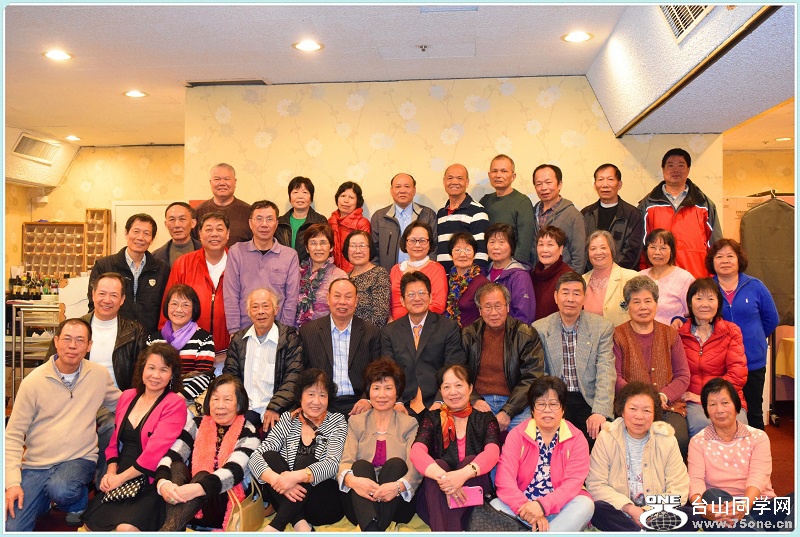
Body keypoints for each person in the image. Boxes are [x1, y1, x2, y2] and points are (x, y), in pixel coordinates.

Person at [5, 319, 120, 531]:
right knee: (11, 527)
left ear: (89, 346)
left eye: (80, 340)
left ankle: (77, 501)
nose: (72, 346)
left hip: (79, 459)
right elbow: (12, 435)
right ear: (56, 341)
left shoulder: (98, 375)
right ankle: (43, 502)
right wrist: (12, 483)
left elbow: (123, 404)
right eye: (67, 339)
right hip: (37, 465)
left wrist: (161, 403)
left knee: (61, 488)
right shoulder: (33, 382)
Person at [82, 343, 187, 532]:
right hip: (122, 472)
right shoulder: (127, 396)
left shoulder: (174, 403)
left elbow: (154, 453)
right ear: (142, 369)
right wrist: (111, 473)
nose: (156, 375)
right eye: (151, 368)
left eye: (164, 370)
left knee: (125, 529)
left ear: (172, 375)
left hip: (150, 478)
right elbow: (114, 442)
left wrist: (120, 479)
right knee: (91, 526)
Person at [154, 375, 260, 531]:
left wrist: (197, 488)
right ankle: (172, 528)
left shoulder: (248, 431)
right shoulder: (197, 424)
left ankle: (168, 529)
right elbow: (172, 455)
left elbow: (234, 471)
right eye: (215, 399)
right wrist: (163, 483)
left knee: (203, 475)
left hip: (224, 502)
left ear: (239, 404)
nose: (220, 405)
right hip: (188, 502)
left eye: (227, 399)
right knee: (176, 467)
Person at [249, 369, 347, 532]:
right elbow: (255, 457)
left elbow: (333, 464)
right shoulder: (288, 419)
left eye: (322, 395)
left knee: (308, 461)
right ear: (300, 396)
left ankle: (277, 525)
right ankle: (300, 524)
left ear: (329, 398)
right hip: (288, 498)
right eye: (311, 394)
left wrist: (295, 476)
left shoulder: (337, 421)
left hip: (322, 502)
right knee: (269, 456)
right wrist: (277, 480)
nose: (316, 401)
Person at [493, 376, 594, 532]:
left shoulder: (577, 438)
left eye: (553, 404)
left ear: (563, 409)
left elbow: (572, 484)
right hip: (523, 509)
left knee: (585, 505)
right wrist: (529, 510)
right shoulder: (517, 435)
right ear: (532, 409)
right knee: (495, 506)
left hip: (561, 510)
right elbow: (504, 479)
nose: (547, 410)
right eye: (540, 404)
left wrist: (542, 506)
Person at [684, 378, 786, 531]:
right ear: (706, 411)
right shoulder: (698, 442)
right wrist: (703, 509)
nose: (719, 410)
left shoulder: (758, 437)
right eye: (712, 404)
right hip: (722, 508)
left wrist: (744, 505)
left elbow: (758, 477)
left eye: (725, 403)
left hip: (759, 505)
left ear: (737, 406)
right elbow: (695, 481)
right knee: (711, 496)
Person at [586, 381, 689, 531]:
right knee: (598, 509)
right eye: (633, 409)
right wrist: (630, 508)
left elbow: (679, 488)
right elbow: (595, 484)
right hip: (621, 512)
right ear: (622, 411)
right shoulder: (607, 437)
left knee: (690, 515)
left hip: (656, 514)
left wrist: (649, 512)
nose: (639, 416)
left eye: (646, 410)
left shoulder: (666, 439)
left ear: (654, 415)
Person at [410, 365, 500, 531]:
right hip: (435, 499)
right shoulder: (433, 418)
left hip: (476, 504)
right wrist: (446, 480)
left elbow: (493, 452)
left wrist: (462, 475)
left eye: (458, 385)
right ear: (440, 391)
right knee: (438, 464)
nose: (453, 392)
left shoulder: (485, 418)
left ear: (470, 388)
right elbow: (416, 452)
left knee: (470, 461)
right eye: (446, 387)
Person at [339, 358, 422, 531]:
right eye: (376, 388)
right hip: (361, 500)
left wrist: (397, 487)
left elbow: (415, 467)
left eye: (388, 388)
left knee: (396, 464)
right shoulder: (356, 422)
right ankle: (374, 528)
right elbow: (345, 461)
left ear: (397, 392)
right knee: (360, 466)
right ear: (369, 392)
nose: (382, 395)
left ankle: (371, 528)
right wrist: (354, 482)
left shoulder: (409, 424)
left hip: (397, 502)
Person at [532, 272, 615, 445]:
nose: (570, 299)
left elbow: (606, 371)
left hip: (589, 399)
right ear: (556, 296)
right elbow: (541, 374)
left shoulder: (602, 327)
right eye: (565, 293)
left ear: (584, 298)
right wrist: (549, 407)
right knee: (554, 442)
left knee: (599, 438)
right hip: (556, 398)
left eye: (576, 293)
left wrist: (600, 411)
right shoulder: (540, 328)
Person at [613, 276, 690, 456]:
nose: (643, 307)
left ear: (656, 304)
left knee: (677, 439)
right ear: (627, 306)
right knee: (628, 441)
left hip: (667, 406)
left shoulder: (670, 334)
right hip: (631, 408)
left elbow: (683, 375)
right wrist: (639, 401)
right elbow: (615, 377)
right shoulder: (617, 335)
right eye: (636, 302)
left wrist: (663, 395)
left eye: (648, 301)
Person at [706, 238, 779, 430]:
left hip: (752, 360)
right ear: (712, 261)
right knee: (721, 411)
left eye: (730, 256)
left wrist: (754, 338)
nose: (725, 261)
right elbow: (695, 314)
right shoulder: (707, 287)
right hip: (719, 362)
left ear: (739, 259)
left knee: (754, 411)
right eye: (719, 256)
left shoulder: (756, 286)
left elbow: (771, 319)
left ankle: (758, 448)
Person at [382, 271, 467, 421]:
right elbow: (388, 371)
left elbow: (454, 367)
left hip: (438, 402)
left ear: (431, 297)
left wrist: (441, 401)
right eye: (411, 294)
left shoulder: (448, 327)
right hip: (403, 404)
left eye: (422, 293)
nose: (417, 298)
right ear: (402, 300)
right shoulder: (389, 331)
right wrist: (397, 402)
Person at [461, 283, 544, 432]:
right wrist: (474, 399)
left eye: (498, 306)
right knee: (470, 436)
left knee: (528, 436)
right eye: (487, 307)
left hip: (516, 402)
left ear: (507, 307)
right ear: (480, 310)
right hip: (481, 401)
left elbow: (532, 377)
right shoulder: (469, 334)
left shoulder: (525, 334)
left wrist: (508, 411)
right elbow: (460, 373)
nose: (493, 313)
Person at [223, 288, 302, 433]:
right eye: (255, 307)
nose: (260, 311)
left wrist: (275, 407)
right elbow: (230, 377)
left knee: (274, 442)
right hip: (245, 409)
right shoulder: (239, 340)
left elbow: (294, 378)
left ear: (275, 310)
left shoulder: (289, 339)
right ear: (248, 312)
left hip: (278, 410)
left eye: (266, 306)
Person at [299, 278, 382, 416]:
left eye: (348, 297)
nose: (342, 302)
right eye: (337, 296)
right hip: (322, 403)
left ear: (356, 300)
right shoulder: (309, 332)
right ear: (328, 298)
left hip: (359, 403)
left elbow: (378, 373)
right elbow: (302, 374)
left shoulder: (371, 332)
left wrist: (367, 399)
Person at [678, 278, 748, 437]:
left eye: (710, 299)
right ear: (690, 303)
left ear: (718, 303)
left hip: (727, 397)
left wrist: (703, 397)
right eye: (699, 298)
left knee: (738, 430)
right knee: (702, 427)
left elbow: (737, 375)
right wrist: (695, 398)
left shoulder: (731, 331)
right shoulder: (679, 334)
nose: (705, 304)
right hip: (692, 400)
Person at [637, 148, 722, 278]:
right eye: (670, 165)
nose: (676, 170)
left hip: (697, 277)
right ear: (663, 170)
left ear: (688, 169)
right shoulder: (647, 205)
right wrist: (645, 276)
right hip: (658, 279)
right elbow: (640, 246)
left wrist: (713, 278)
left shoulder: (704, 205)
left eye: (681, 165)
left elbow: (716, 245)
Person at [161, 212, 231, 355]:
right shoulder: (183, 264)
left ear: (228, 233)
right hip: (188, 351)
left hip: (229, 353)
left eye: (219, 229)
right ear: (200, 234)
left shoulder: (238, 264)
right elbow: (169, 308)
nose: (214, 234)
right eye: (208, 229)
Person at [224, 200, 300, 331]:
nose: (264, 224)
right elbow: (231, 294)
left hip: (277, 330)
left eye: (269, 219)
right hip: (244, 329)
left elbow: (291, 299)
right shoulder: (236, 252)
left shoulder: (290, 255)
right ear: (250, 223)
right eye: (259, 219)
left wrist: (285, 331)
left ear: (276, 224)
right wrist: (234, 330)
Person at [88, 213, 169, 333]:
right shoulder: (104, 266)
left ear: (152, 239)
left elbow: (165, 306)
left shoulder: (162, 269)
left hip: (149, 336)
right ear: (126, 233)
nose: (140, 237)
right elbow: (93, 303)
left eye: (146, 233)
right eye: (136, 231)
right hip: (114, 335)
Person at [148, 284, 215, 401]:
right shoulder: (153, 340)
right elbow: (147, 372)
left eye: (185, 305)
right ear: (167, 306)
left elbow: (204, 376)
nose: (179, 309)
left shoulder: (204, 339)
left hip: (191, 401)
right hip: (156, 398)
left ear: (194, 309)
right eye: (174, 304)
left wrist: (177, 399)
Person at [581, 163, 643, 271]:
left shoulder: (633, 214)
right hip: (591, 274)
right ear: (595, 185)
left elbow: (632, 251)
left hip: (622, 275)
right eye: (600, 180)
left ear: (619, 184)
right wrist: (594, 271)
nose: (605, 185)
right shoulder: (586, 213)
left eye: (610, 179)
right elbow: (581, 247)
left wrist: (611, 272)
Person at [371, 172, 438, 271]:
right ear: (391, 190)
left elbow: (433, 248)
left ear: (414, 190)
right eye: (398, 187)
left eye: (407, 186)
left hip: (421, 274)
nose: (402, 191)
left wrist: (428, 272)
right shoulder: (379, 217)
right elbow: (373, 251)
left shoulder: (428, 215)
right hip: (388, 275)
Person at [479, 154, 536, 264]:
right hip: (488, 265)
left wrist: (515, 268)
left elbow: (525, 242)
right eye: (494, 171)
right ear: (489, 175)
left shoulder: (522, 202)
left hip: (513, 266)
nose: (498, 175)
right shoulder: (485, 201)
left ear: (513, 176)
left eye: (504, 171)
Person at [530, 164, 586, 273]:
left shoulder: (573, 215)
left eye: (548, 182)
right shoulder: (532, 212)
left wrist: (571, 280)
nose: (543, 188)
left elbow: (579, 257)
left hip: (562, 278)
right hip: (537, 277)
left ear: (559, 184)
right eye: (539, 184)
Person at [435, 163, 489, 272]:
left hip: (465, 278)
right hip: (442, 276)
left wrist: (470, 278)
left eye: (459, 178)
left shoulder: (477, 211)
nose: (454, 182)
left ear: (467, 182)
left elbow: (481, 253)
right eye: (450, 178)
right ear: (444, 181)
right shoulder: (441, 212)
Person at [389, 221, 447, 320]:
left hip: (426, 325)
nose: (417, 245)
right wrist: (391, 321)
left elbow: (438, 306)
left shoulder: (437, 269)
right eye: (412, 240)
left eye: (422, 240)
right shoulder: (395, 270)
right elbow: (388, 303)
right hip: (395, 325)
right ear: (405, 243)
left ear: (429, 244)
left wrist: (411, 322)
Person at [583, 230, 639, 327]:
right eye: (593, 249)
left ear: (612, 250)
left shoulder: (632, 278)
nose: (598, 252)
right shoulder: (582, 281)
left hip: (622, 335)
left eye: (603, 248)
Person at [295, 223, 348, 327]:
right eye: (313, 243)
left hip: (325, 332)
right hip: (296, 332)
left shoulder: (339, 276)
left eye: (323, 243)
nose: (318, 248)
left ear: (331, 247)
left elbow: (342, 311)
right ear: (307, 248)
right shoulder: (297, 273)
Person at [638, 229, 695, 325]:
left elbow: (694, 313)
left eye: (663, 248)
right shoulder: (639, 277)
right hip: (642, 331)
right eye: (652, 247)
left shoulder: (685, 278)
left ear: (672, 251)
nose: (657, 252)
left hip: (673, 332)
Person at [484, 223, 536, 324]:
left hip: (511, 332)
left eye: (501, 242)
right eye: (492, 242)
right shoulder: (483, 272)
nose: (496, 247)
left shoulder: (520, 276)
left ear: (511, 246)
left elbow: (524, 316)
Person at [193, 162, 252, 247]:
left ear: (235, 182)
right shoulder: (197, 212)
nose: (222, 183)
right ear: (210, 182)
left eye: (227, 179)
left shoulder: (249, 212)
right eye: (217, 179)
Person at [275, 176, 327, 264]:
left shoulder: (320, 221)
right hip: (283, 268)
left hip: (310, 269)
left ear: (311, 198)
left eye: (305, 192)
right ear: (290, 197)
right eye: (295, 192)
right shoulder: (280, 222)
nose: (300, 196)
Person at [345, 230, 391, 328]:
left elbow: (380, 315)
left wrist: (362, 333)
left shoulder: (379, 273)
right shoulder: (345, 277)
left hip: (369, 333)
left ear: (370, 249)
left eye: (362, 246)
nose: (358, 251)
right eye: (353, 246)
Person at [444, 232, 490, 328]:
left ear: (474, 254)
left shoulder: (482, 283)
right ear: (451, 255)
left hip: (471, 335)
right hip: (448, 334)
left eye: (467, 250)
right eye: (457, 250)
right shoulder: (446, 280)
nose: (462, 254)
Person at [530, 226, 575, 321]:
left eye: (550, 245)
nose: (544, 250)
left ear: (561, 249)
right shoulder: (532, 275)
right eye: (541, 244)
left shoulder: (568, 277)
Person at [328, 181, 371, 272]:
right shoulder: (331, 221)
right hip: (332, 272)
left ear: (357, 201)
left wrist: (349, 275)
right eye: (343, 196)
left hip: (355, 272)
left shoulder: (362, 223)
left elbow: (364, 253)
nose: (346, 201)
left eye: (351, 197)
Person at [152, 202, 201, 269]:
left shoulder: (207, 252)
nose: (177, 225)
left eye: (182, 219)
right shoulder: (155, 257)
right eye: (172, 219)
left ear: (193, 223)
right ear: (166, 224)